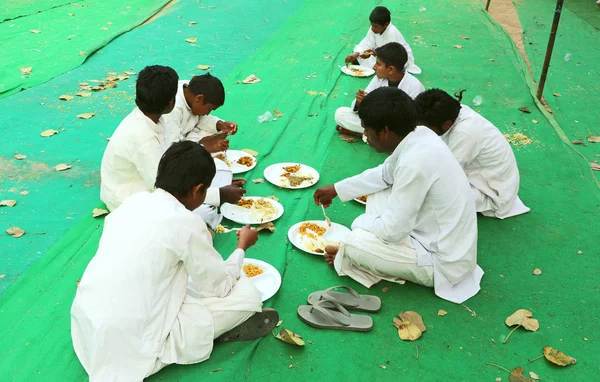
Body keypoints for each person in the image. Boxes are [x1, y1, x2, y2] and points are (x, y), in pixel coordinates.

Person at [72, 141, 278, 381]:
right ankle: (203, 335)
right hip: (128, 347)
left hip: (87, 326)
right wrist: (241, 247)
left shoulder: (133, 201)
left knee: (182, 275)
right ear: (197, 190)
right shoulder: (188, 223)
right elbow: (219, 287)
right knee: (248, 297)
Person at [314, 87, 483, 304]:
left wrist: (361, 223)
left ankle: (352, 255)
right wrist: (338, 188)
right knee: (379, 189)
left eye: (367, 130)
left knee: (355, 241)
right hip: (428, 232)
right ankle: (364, 255)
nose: (365, 136)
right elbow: (385, 174)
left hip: (441, 262)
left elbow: (392, 232)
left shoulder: (415, 163)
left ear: (384, 131)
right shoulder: (420, 134)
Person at [100, 66, 244, 227]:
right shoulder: (143, 140)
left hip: (156, 176)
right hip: (129, 199)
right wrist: (219, 194)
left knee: (216, 171)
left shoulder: (152, 117)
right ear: (171, 102)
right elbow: (165, 188)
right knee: (201, 217)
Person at [415, 89, 530, 219]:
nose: (420, 128)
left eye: (424, 126)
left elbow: (444, 174)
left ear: (447, 124)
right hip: (480, 176)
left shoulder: (465, 134)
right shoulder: (455, 112)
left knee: (432, 195)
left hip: (492, 194)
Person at [336, 42, 425, 137]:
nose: (374, 67)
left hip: (397, 129)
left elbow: (411, 122)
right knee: (340, 114)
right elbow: (365, 106)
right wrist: (359, 102)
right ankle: (371, 136)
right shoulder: (378, 78)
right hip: (378, 124)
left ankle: (366, 135)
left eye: (378, 64)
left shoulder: (414, 86)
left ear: (391, 69)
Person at [163, 73, 237, 151]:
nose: (208, 113)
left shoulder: (192, 90)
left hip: (187, 134)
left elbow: (198, 117)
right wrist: (202, 146)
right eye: (209, 109)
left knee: (220, 132)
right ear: (199, 98)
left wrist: (219, 124)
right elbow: (171, 150)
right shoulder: (173, 110)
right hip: (170, 145)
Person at [345, 6, 420, 74]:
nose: (372, 28)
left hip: (397, 59)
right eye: (371, 25)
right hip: (380, 55)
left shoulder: (392, 33)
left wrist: (377, 57)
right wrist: (357, 54)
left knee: (387, 68)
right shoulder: (374, 29)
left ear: (386, 24)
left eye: (375, 26)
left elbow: (394, 55)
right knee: (356, 58)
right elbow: (366, 42)